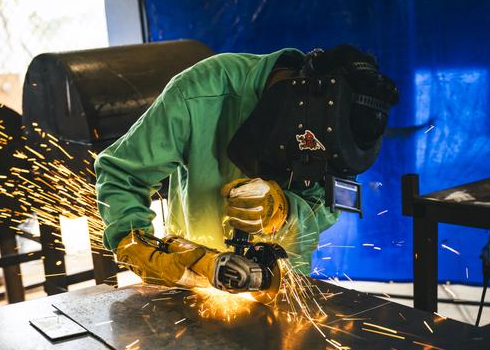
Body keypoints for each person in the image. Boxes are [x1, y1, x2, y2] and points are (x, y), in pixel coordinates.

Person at [95, 44, 398, 291]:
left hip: (286, 285)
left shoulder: (346, 124)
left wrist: (285, 211)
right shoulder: (200, 93)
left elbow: (332, 204)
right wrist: (132, 240)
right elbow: (121, 174)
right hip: (198, 278)